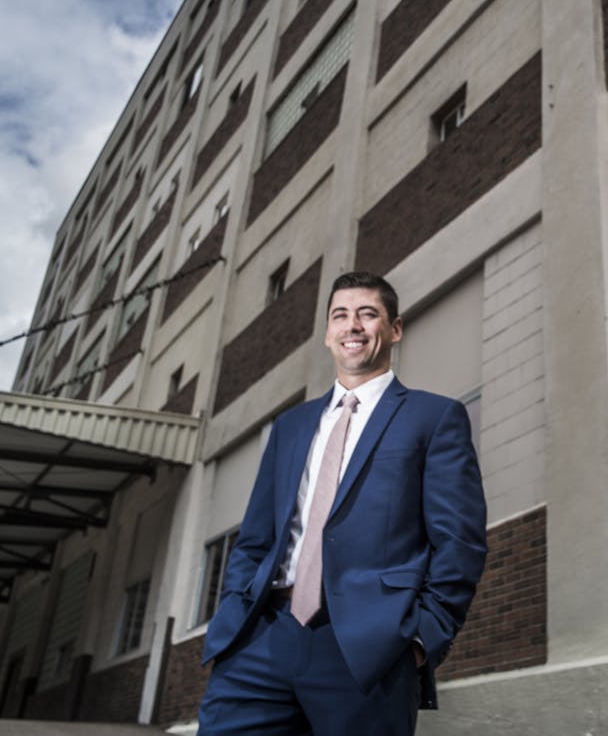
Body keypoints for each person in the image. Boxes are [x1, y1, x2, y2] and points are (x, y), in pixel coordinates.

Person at [198, 271, 488, 736]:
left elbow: (460, 541)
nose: (352, 325)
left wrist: (419, 638)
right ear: (328, 333)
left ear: (394, 329)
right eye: (340, 315)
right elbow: (256, 538)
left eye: (367, 314)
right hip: (261, 640)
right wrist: (235, 612)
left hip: (367, 649)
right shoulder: (290, 426)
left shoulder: (433, 418)